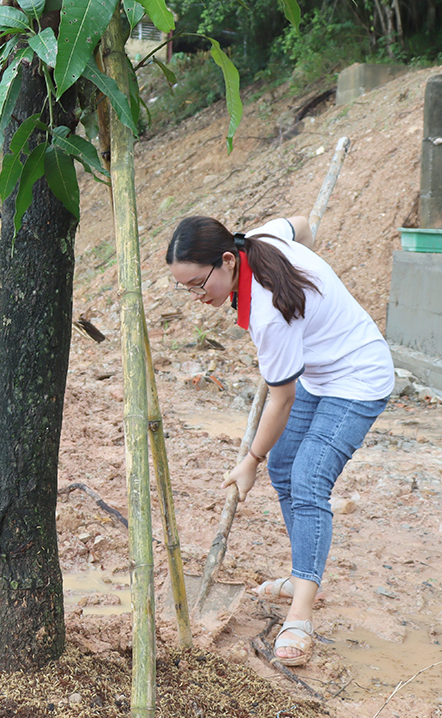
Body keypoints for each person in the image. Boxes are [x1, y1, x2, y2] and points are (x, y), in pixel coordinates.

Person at [167, 215, 393, 667]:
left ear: (229, 261)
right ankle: (302, 573)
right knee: (284, 464)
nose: (196, 297)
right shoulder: (263, 237)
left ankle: (301, 614)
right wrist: (311, 274)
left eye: (197, 284)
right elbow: (305, 226)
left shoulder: (270, 314)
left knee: (309, 478)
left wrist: (250, 458)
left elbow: (281, 399)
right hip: (317, 369)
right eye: (185, 289)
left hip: (358, 377)